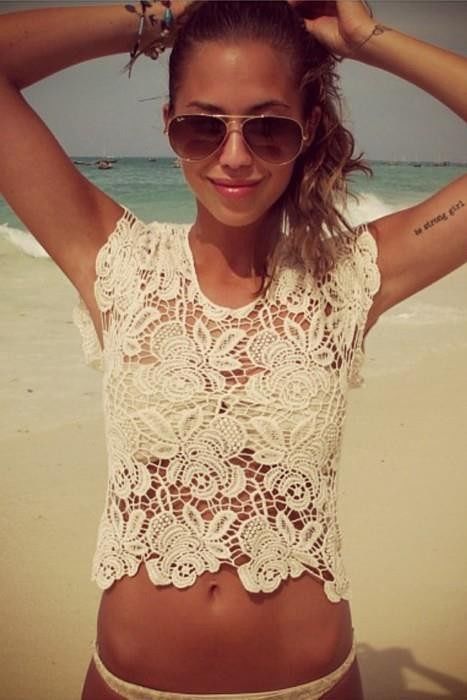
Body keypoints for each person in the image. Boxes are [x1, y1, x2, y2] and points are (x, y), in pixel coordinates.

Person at [1, 1, 466, 698]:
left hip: (310, 684)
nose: (235, 155)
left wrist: (368, 39)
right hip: (132, 684)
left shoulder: (348, 277)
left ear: (307, 129)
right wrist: (166, 13)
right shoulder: (116, 262)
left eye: (268, 126)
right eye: (203, 125)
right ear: (169, 126)